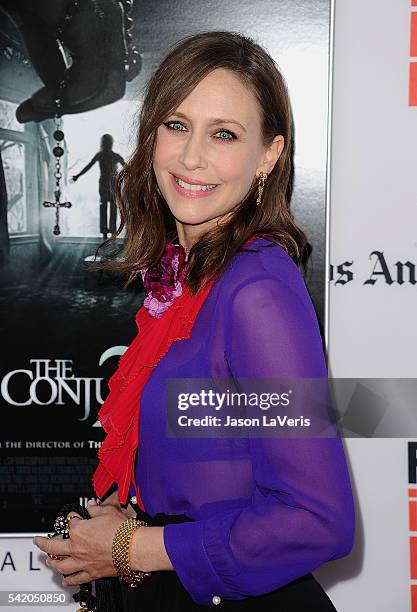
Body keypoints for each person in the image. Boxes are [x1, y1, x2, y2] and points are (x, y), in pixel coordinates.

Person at [33, 30, 355, 611]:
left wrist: (132, 547)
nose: (191, 157)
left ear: (269, 155)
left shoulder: (255, 291)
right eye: (176, 125)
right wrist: (132, 520)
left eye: (224, 134)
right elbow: (222, 471)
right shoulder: (192, 280)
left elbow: (316, 520)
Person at [72, 134, 125, 240]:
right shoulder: (113, 156)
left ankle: (107, 233)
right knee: (110, 208)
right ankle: (111, 233)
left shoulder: (102, 155)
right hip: (110, 184)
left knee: (105, 207)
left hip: (107, 184)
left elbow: (88, 166)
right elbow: (127, 168)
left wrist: (77, 176)